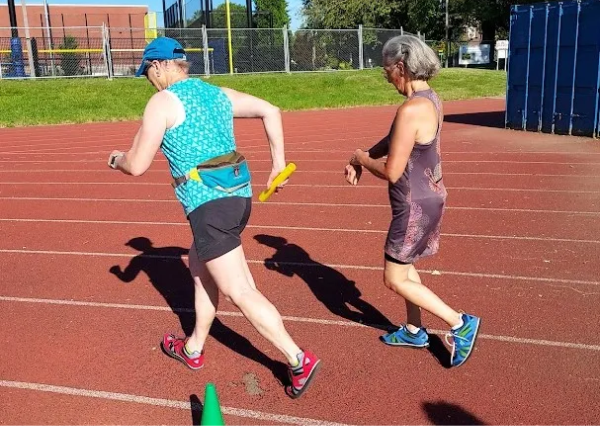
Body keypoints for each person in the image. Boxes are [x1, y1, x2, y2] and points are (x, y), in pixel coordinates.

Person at [107, 37, 320, 398]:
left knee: (241, 289)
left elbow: (138, 164)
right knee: (197, 265)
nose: (148, 80)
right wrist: (278, 164)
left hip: (209, 206)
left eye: (148, 72)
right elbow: (271, 110)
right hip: (238, 196)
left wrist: (116, 160)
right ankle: (193, 348)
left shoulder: (162, 102)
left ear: (159, 66)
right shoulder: (216, 93)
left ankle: (298, 359)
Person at [344, 35, 480, 368]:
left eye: (386, 69)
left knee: (394, 277)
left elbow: (392, 171)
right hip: (431, 195)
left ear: (401, 67)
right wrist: (364, 153)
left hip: (413, 205)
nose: (385, 76)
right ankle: (413, 329)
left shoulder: (410, 109)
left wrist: (362, 160)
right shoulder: (431, 99)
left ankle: (460, 323)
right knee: (407, 267)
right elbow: (394, 141)